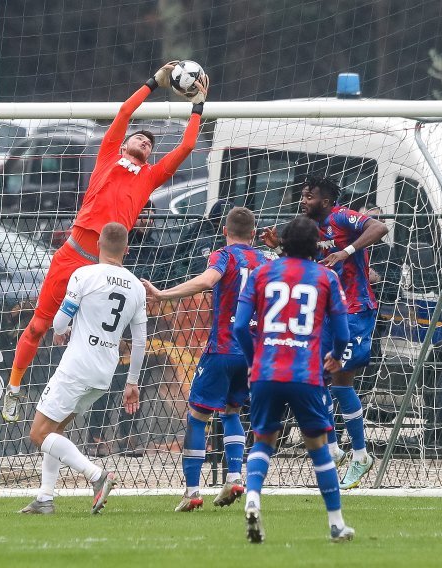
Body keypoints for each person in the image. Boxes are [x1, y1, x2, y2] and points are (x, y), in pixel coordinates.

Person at [2, 62, 209, 422]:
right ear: (125, 143)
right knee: (38, 327)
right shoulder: (107, 157)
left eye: (150, 141)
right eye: (139, 137)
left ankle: (76, 409)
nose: (145, 139)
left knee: (92, 340)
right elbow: (126, 111)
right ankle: (14, 388)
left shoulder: (151, 177)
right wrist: (154, 83)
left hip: (102, 270)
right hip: (70, 256)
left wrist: (199, 103)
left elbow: (189, 143)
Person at [261, 175, 388, 489]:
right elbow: (302, 265)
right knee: (317, 378)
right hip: (329, 312)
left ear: (327, 201)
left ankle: (360, 455)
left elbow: (379, 228)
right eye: (303, 195)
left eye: (310, 196)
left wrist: (346, 252)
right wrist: (279, 248)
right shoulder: (310, 231)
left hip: (356, 309)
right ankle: (334, 448)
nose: (304, 200)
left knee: (341, 381)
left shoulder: (340, 216)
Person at [233, 215, 354, 543]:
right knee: (317, 447)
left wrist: (252, 359)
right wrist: (338, 356)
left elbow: (240, 327)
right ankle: (336, 523)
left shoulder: (260, 273)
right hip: (305, 373)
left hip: (266, 371)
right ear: (316, 245)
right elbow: (342, 333)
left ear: (282, 242)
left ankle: (254, 498)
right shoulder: (326, 277)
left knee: (263, 441)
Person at [143, 207, 269, 511]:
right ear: (253, 234)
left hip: (223, 348)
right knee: (232, 412)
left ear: (225, 231)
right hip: (252, 351)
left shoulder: (222, 256)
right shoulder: (265, 261)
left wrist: (162, 294)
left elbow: (205, 281)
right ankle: (234, 476)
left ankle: (192, 491)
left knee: (197, 417)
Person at [20, 223, 147, 514]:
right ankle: (45, 498)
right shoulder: (137, 287)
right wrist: (131, 382)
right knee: (56, 430)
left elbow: (60, 324)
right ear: (127, 249)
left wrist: (62, 330)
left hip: (77, 365)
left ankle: (96, 476)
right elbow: (139, 341)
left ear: (98, 244)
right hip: (105, 372)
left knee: (39, 434)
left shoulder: (84, 274)